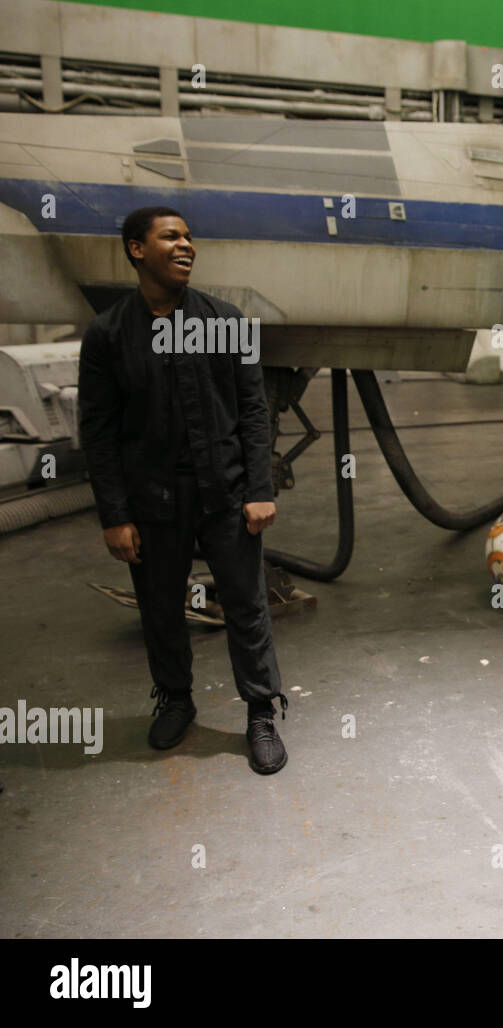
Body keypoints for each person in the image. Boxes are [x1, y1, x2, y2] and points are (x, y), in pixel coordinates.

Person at [78, 206, 290, 775]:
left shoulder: (227, 322)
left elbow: (253, 411)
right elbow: (97, 432)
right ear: (135, 249)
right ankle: (175, 699)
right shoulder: (107, 335)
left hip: (225, 491)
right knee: (161, 608)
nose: (186, 245)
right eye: (171, 236)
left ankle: (261, 712)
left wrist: (259, 488)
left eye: (190, 237)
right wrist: (113, 515)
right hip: (152, 500)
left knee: (246, 605)